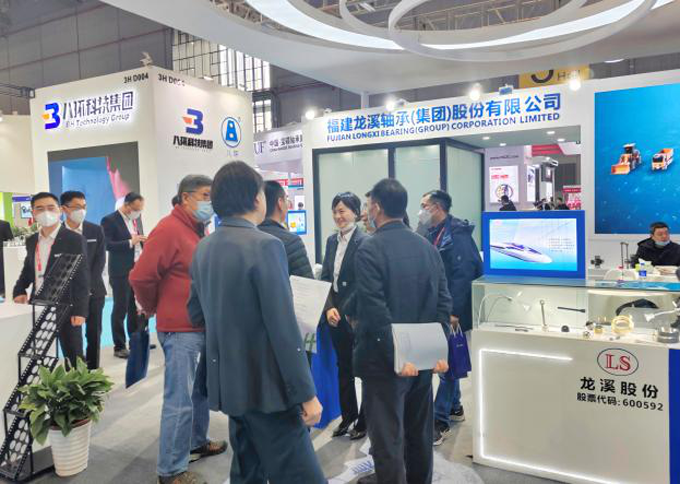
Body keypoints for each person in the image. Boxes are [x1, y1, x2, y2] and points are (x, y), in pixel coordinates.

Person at [187, 161, 325, 483]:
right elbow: (282, 327)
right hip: (268, 389)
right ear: (256, 198)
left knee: (248, 471)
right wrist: (306, 393)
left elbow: (195, 313)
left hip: (230, 385)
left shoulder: (204, 247)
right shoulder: (265, 245)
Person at [129, 175, 226, 484]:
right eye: (206, 195)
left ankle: (196, 441)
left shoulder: (197, 230)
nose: (211, 202)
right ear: (186, 197)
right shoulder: (169, 229)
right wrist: (153, 306)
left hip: (198, 327)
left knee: (198, 393)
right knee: (179, 400)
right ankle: (170, 470)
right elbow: (140, 277)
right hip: (179, 330)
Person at [354, 179, 451, 484]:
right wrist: (435, 351)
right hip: (422, 361)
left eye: (368, 205)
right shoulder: (427, 248)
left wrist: (399, 355)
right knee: (419, 435)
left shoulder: (369, 249)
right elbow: (443, 303)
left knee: (387, 441)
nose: (367, 212)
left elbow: (375, 312)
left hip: (385, 364)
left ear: (377, 207)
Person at [419, 190, 483, 446]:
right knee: (451, 359)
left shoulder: (457, 235)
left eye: (424, 205)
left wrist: (454, 311)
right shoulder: (431, 232)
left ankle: (439, 419)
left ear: (436, 207)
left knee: (444, 363)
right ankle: (455, 406)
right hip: (436, 307)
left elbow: (463, 275)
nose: (420, 211)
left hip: (451, 310)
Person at [13, 192, 89, 368]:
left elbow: (82, 277)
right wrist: (19, 289)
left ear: (60, 210)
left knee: (73, 354)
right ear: (33, 213)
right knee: (39, 354)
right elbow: (28, 269)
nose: (45, 212)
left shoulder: (74, 239)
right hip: (38, 304)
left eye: (50, 207)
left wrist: (80, 311)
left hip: (66, 305)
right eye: (39, 209)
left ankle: (76, 385)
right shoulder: (32, 240)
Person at [321, 191, 367, 440]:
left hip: (357, 315)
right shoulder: (331, 241)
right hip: (335, 315)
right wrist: (329, 307)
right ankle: (348, 415)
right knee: (343, 367)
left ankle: (364, 420)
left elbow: (363, 282)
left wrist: (344, 310)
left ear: (355, 213)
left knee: (364, 369)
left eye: (342, 211)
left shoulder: (365, 241)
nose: (338, 216)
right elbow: (326, 277)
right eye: (335, 211)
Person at [60, 191, 106, 370]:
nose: (82, 210)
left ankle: (93, 370)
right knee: (72, 337)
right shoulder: (58, 233)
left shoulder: (95, 230)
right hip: (68, 295)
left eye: (84, 206)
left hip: (94, 291)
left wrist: (87, 287)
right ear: (64, 209)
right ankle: (75, 372)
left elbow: (99, 261)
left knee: (94, 333)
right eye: (77, 207)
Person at [101, 192, 147, 359]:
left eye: (140, 209)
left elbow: (137, 239)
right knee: (120, 308)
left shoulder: (135, 219)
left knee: (136, 307)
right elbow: (107, 244)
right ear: (127, 205)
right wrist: (130, 242)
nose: (138, 212)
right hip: (120, 271)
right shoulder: (109, 220)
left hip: (137, 268)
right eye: (136, 209)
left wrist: (142, 242)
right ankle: (119, 346)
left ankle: (136, 341)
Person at [259, 181, 314, 278]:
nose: (288, 204)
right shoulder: (291, 241)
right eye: (286, 199)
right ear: (280, 203)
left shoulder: (247, 237)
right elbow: (305, 283)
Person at [0, 218, 13, 297]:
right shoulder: (4, 224)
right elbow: (10, 239)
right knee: (2, 272)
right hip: (2, 253)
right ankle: (2, 291)